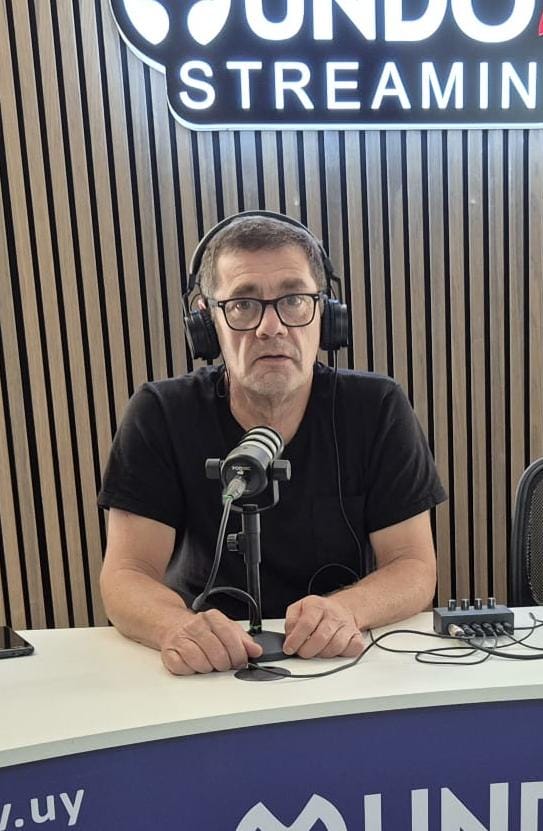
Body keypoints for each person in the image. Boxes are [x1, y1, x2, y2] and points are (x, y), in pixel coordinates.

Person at [98, 212, 446, 676]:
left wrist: (348, 609)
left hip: (340, 657)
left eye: (294, 300)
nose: (271, 327)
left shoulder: (377, 407)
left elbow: (414, 565)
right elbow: (127, 574)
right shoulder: (160, 412)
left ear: (326, 313)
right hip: (207, 663)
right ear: (207, 322)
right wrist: (176, 627)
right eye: (243, 304)